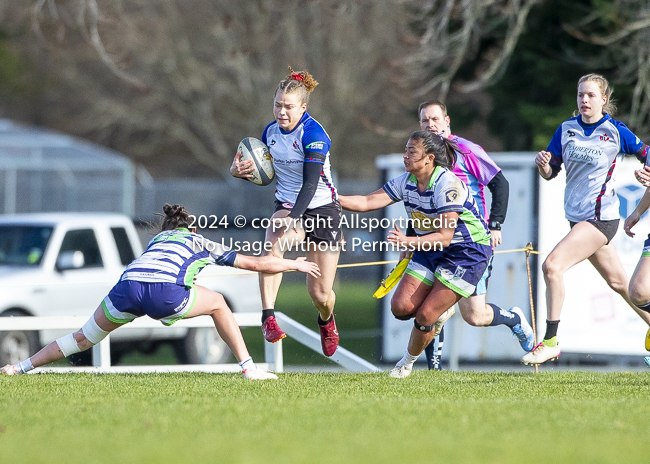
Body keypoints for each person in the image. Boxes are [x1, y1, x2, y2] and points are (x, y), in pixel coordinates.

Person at [1, 204, 321, 379]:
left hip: (126, 289)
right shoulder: (198, 241)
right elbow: (253, 264)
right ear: (192, 229)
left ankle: (19, 367)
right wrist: (295, 264)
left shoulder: (154, 242)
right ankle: (249, 369)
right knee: (220, 303)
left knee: (82, 338)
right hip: (162, 295)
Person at [339, 130, 493, 378]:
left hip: (467, 251)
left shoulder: (447, 185)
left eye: (412, 151)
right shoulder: (407, 182)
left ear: (429, 158)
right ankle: (439, 311)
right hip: (430, 247)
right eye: (406, 150)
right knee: (400, 307)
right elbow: (367, 202)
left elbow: (444, 236)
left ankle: (405, 364)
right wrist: (330, 198)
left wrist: (408, 241)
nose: (405, 156)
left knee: (424, 315)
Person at [522, 73, 650, 366]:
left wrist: (648, 175)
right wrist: (543, 166)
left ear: (604, 100)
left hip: (600, 220)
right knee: (619, 283)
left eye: (591, 95)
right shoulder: (566, 129)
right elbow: (552, 170)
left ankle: (551, 341)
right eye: (580, 95)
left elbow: (648, 153)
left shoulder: (615, 131)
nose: (584, 100)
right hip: (577, 220)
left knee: (552, 266)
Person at [230, 67, 343, 356]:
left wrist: (297, 218)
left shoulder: (314, 134)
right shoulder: (269, 132)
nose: (281, 112)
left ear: (303, 108)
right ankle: (268, 316)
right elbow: (263, 173)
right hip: (288, 204)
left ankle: (327, 320)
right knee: (275, 240)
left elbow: (310, 183)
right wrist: (237, 171)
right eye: (277, 105)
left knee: (320, 294)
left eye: (288, 107)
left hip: (322, 208)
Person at [418, 101, 534, 369]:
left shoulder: (466, 150)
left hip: (471, 243)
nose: (430, 125)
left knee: (475, 315)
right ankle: (434, 370)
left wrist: (495, 225)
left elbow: (500, 184)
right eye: (425, 121)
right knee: (430, 307)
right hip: (437, 240)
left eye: (435, 119)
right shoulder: (420, 157)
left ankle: (514, 319)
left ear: (447, 121)